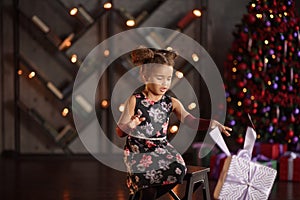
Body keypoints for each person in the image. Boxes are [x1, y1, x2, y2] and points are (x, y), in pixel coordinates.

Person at [116, 47, 232, 200]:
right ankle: (145, 194)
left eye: (168, 78)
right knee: (147, 182)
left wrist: (211, 123)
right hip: (139, 150)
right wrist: (130, 125)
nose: (165, 83)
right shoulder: (135, 100)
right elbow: (119, 132)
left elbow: (191, 121)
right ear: (145, 76)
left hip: (161, 148)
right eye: (159, 78)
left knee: (178, 170)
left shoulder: (171, 102)